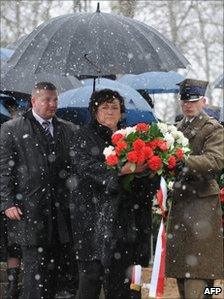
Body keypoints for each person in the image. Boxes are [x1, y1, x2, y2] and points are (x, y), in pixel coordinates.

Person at [70, 89, 160, 299]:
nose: (110, 112)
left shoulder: (131, 138)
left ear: (121, 112)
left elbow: (144, 181)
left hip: (125, 222)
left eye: (115, 107)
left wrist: (146, 171)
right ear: (94, 111)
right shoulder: (82, 136)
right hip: (92, 218)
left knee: (123, 284)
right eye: (104, 107)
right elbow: (86, 168)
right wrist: (124, 169)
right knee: (90, 281)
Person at [0, 82, 77, 299]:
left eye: (55, 100)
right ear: (33, 101)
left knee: (61, 276)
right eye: (47, 100)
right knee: (35, 275)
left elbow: (74, 169)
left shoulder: (68, 129)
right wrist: (7, 203)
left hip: (62, 213)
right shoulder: (12, 129)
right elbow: (4, 169)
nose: (52, 105)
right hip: (29, 211)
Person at [165, 79, 224, 299]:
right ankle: (210, 294)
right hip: (182, 202)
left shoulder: (213, 128)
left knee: (201, 270)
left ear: (203, 101)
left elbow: (216, 161)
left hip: (202, 204)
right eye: (184, 101)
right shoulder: (178, 128)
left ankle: (211, 294)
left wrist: (185, 162)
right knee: (182, 271)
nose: (188, 105)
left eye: (193, 100)